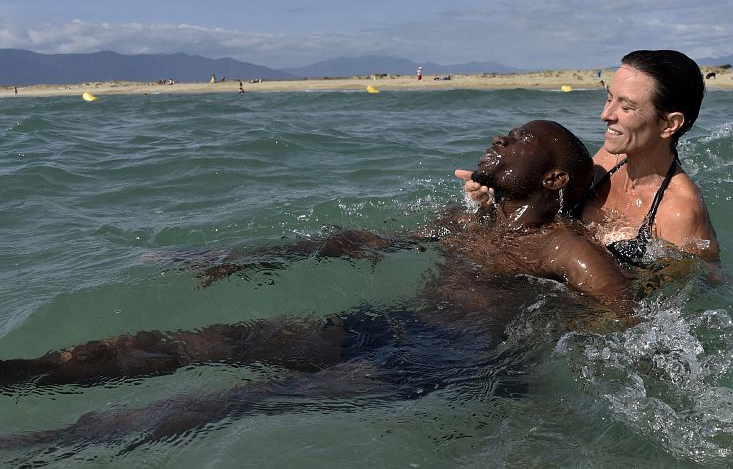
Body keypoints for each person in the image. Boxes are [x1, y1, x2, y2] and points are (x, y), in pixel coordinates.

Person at [0, 120, 636, 391]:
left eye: (522, 137)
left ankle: (40, 445)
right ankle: (24, 373)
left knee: (227, 401)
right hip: (395, 329)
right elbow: (362, 243)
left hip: (446, 365)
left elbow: (623, 318)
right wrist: (254, 257)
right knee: (204, 343)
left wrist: (559, 334)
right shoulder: (464, 219)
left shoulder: (568, 251)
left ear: (554, 180)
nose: (502, 138)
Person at [458, 50, 719, 267]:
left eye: (626, 107)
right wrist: (494, 200)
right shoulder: (607, 160)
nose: (606, 114)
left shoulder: (678, 212)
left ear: (669, 124)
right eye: (608, 98)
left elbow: (684, 296)